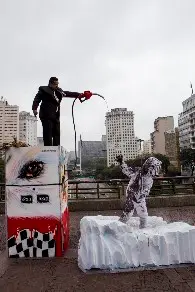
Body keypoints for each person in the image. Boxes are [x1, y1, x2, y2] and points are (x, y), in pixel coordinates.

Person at [32, 77, 92, 146]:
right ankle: (48, 150)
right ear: (50, 84)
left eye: (57, 84)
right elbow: (37, 99)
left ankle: (56, 149)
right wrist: (34, 109)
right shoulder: (43, 90)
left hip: (55, 115)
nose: (57, 86)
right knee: (48, 133)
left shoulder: (59, 91)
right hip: (46, 115)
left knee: (57, 133)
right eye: (55, 84)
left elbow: (68, 93)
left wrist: (81, 95)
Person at [115, 154, 162, 228]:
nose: (156, 170)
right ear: (149, 167)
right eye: (155, 168)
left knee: (143, 214)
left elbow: (146, 190)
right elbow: (127, 170)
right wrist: (121, 163)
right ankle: (118, 226)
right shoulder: (138, 172)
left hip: (140, 198)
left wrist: (142, 194)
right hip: (131, 195)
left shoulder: (150, 179)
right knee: (128, 212)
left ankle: (143, 228)